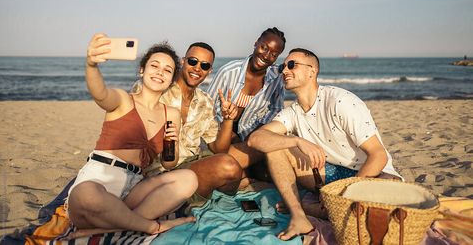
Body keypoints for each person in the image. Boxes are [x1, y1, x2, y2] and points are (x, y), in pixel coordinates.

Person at [247, 48, 402, 241]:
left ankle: (315, 206)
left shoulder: (339, 101)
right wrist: (296, 140)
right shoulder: (292, 112)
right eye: (282, 66)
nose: (285, 71)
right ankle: (299, 216)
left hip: (369, 174)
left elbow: (379, 156)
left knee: (387, 194)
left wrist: (344, 193)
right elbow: (256, 139)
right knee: (275, 147)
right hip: (327, 173)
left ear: (312, 71)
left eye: (291, 65)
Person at [65, 33, 197, 238]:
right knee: (85, 194)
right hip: (99, 179)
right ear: (142, 69)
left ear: (172, 80)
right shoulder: (124, 100)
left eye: (167, 70)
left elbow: (169, 163)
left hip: (133, 187)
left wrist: (173, 144)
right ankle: (150, 226)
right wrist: (91, 65)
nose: (160, 72)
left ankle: (111, 226)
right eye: (154, 66)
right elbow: (100, 94)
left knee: (189, 178)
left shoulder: (170, 114)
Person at [145, 42, 242, 202]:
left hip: (191, 164)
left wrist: (228, 120)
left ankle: (191, 195)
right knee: (229, 167)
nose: (197, 68)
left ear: (209, 71)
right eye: (192, 61)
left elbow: (219, 149)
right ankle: (182, 200)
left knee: (237, 169)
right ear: (183, 61)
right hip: (159, 171)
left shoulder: (206, 101)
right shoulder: (158, 89)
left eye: (204, 65)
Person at [206, 27, 286, 184]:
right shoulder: (229, 71)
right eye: (264, 47)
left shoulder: (276, 80)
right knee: (230, 168)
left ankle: (245, 172)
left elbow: (276, 110)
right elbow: (207, 107)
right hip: (220, 133)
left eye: (274, 54)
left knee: (270, 161)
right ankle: (242, 172)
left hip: (251, 137)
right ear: (256, 44)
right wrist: (227, 131)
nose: (266, 55)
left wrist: (258, 132)